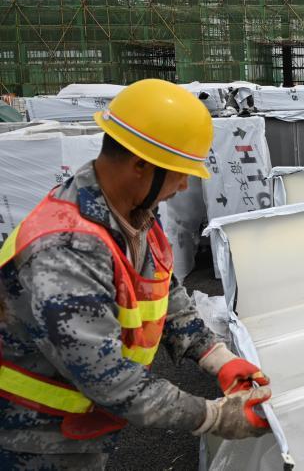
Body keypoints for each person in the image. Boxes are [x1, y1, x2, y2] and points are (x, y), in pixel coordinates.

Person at [0, 79, 272, 469]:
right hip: (35, 439)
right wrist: (215, 417)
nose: (182, 186)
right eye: (178, 173)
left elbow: (163, 289)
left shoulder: (132, 212)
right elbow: (109, 378)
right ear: (140, 165)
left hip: (80, 426)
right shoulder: (64, 251)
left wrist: (216, 356)